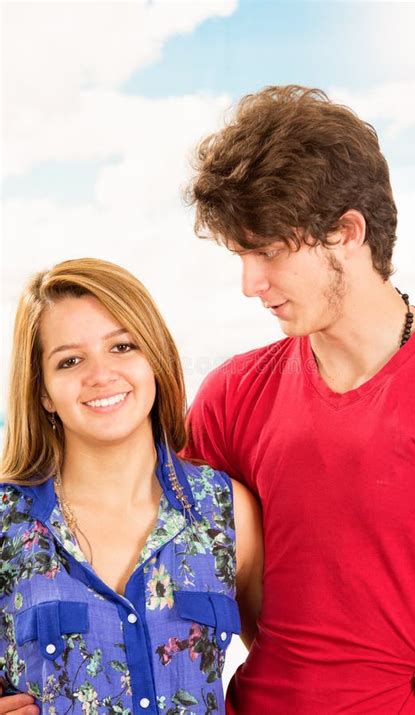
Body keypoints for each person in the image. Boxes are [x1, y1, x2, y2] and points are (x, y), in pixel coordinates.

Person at [182, 86, 415, 714]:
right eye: (241, 255)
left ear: (347, 232)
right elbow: (150, 558)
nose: (249, 284)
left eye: (268, 252)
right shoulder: (231, 396)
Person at [0, 258, 263, 714]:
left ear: (154, 360)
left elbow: (291, 666)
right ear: (43, 391)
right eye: (70, 360)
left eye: (122, 347)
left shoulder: (226, 510)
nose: (101, 375)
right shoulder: (6, 522)